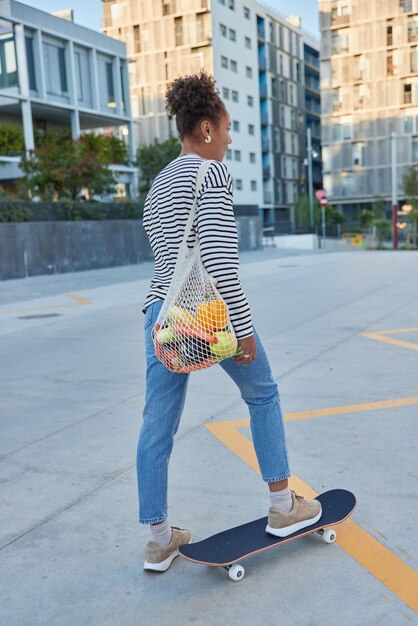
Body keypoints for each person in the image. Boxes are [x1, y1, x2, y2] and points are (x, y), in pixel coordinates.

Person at [137, 72, 321, 573]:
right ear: (204, 129)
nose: (230, 138)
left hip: (162, 316)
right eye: (226, 128)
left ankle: (159, 539)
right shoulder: (209, 173)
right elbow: (219, 261)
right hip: (208, 313)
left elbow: (163, 256)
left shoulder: (159, 183)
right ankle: (284, 509)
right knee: (263, 393)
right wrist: (240, 330)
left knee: (157, 424)